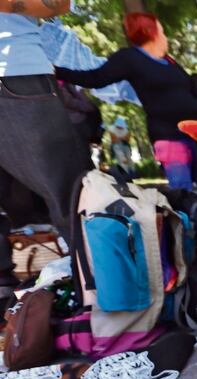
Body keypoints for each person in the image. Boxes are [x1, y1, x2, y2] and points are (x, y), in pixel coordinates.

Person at [0, 0, 92, 304]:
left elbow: (58, 4)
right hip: (18, 82)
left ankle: (101, 290)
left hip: (16, 76)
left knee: (69, 195)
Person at [56, 12, 197, 191]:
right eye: (162, 32)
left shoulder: (169, 62)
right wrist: (57, 72)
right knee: (183, 190)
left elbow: (191, 89)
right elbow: (96, 78)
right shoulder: (129, 58)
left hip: (192, 134)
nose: (165, 37)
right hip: (169, 137)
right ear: (151, 32)